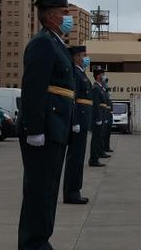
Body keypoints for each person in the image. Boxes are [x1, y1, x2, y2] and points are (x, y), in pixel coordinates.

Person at [17, 0, 76, 249]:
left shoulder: (56, 43)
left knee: (48, 190)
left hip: (56, 127)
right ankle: (33, 244)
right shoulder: (42, 43)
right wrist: (34, 128)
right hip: (44, 128)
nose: (68, 18)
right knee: (39, 191)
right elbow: (33, 88)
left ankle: (41, 241)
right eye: (64, 12)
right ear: (52, 16)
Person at [63, 46, 92, 204]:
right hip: (78, 121)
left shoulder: (81, 73)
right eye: (83, 55)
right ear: (75, 57)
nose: (85, 58)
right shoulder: (75, 72)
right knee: (75, 158)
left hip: (83, 120)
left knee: (79, 157)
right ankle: (71, 192)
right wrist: (74, 121)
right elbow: (72, 97)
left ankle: (75, 190)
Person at [88, 69, 107, 167]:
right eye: (102, 75)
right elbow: (95, 104)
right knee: (96, 138)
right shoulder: (95, 88)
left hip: (102, 115)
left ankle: (96, 156)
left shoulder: (100, 88)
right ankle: (93, 159)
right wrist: (98, 118)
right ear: (98, 76)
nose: (104, 76)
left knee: (99, 138)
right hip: (98, 117)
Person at [102, 74, 114, 153]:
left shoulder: (106, 92)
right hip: (105, 114)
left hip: (109, 114)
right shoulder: (101, 91)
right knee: (103, 134)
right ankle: (103, 149)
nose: (106, 83)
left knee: (108, 133)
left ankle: (107, 147)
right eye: (105, 81)